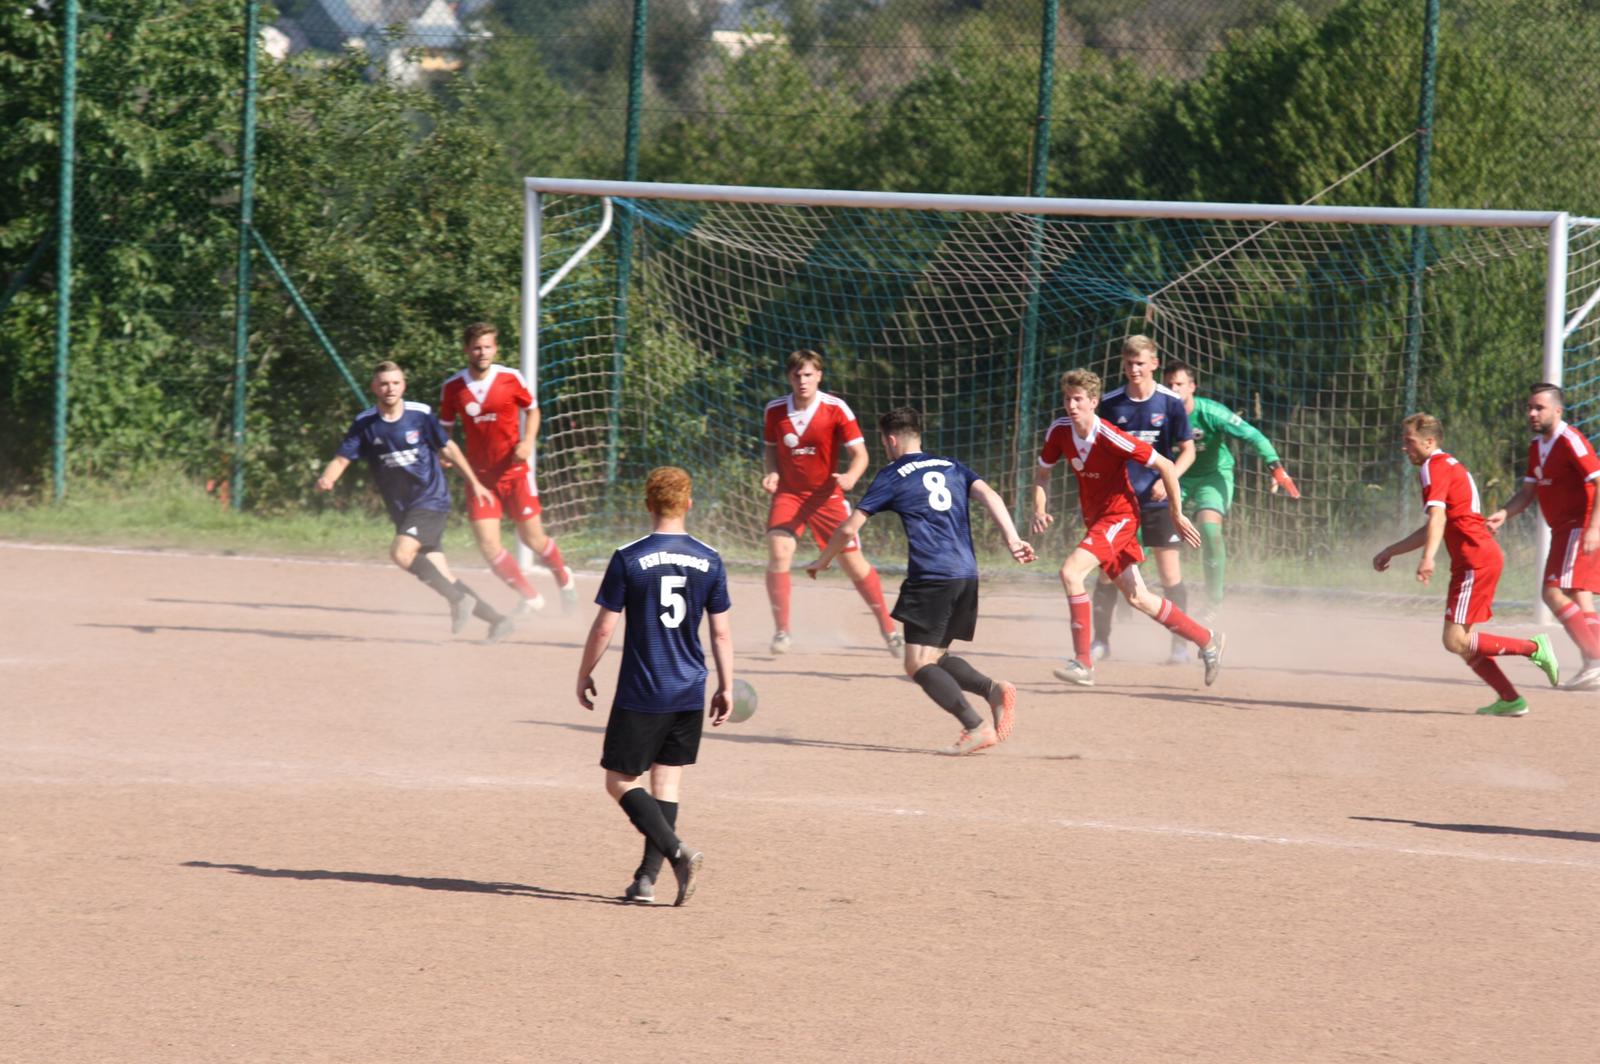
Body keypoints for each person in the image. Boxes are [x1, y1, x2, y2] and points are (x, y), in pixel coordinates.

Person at [807, 407, 1034, 756]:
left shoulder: (893, 474)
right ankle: (993, 690)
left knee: (916, 663)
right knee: (937, 654)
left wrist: (823, 559)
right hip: (966, 574)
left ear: (891, 440)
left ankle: (975, 727)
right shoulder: (950, 465)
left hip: (932, 575)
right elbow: (991, 495)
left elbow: (850, 527)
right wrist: (1013, 539)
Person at [576, 466, 732, 906]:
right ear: (689, 503)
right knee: (666, 782)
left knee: (619, 780)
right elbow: (720, 633)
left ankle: (678, 852)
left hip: (644, 690)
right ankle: (646, 880)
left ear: (647, 504)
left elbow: (605, 626)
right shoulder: (710, 558)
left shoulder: (629, 557)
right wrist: (726, 685)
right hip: (689, 688)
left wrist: (585, 670)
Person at [1032, 369, 1224, 688]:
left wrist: (1176, 513)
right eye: (1067, 399)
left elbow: (1164, 464)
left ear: (1094, 402)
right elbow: (1042, 475)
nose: (1071, 405)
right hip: (1097, 519)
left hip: (1119, 517)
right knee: (1139, 597)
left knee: (1070, 573)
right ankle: (1207, 640)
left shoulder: (1108, 434)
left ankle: (1083, 663)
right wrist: (1040, 508)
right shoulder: (1060, 431)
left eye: (1078, 399)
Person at [1373, 413, 1559, 716]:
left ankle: (1534, 649)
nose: (1404, 448)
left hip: (1475, 558)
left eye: (1409, 442)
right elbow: (1435, 524)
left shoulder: (1432, 467)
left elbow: (1437, 518)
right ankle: (1511, 699)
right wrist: (1391, 551)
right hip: (1478, 557)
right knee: (1463, 641)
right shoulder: (1447, 465)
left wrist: (1428, 558)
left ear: (1429, 442)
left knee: (1454, 639)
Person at [316, 361, 514, 642]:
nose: (389, 388)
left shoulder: (420, 415)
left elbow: (450, 449)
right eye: (383, 383)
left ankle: (458, 602)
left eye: (395, 383)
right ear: (374, 387)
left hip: (430, 499)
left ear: (403, 385)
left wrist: (475, 483)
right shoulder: (365, 423)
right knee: (445, 578)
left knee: (400, 553)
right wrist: (328, 478)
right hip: (403, 509)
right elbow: (341, 458)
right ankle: (498, 620)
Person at [762, 349, 901, 656]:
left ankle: (889, 630)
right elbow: (771, 450)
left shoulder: (835, 408)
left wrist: (851, 477)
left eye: (809, 374)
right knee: (778, 549)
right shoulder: (774, 411)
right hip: (789, 494)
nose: (802, 381)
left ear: (819, 376)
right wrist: (771, 473)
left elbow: (861, 455)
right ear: (789, 377)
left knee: (853, 565)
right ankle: (782, 631)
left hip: (827, 497)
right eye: (797, 375)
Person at [438, 322, 577, 615]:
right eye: (476, 347)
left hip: (514, 474)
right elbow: (445, 431)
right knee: (489, 546)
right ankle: (531, 598)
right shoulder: (453, 388)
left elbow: (533, 410)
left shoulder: (511, 378)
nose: (482, 352)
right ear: (466, 350)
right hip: (479, 480)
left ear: (495, 348)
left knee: (533, 540)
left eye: (487, 346)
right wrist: (443, 453)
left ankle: (564, 578)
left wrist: (527, 441)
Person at [1162, 361, 1300, 615]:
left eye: (1179, 384)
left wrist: (1276, 468)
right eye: (1168, 384)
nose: (1173, 389)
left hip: (1213, 476)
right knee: (1142, 531)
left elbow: (1253, 435)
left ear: (1192, 387)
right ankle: (1126, 592)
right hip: (1175, 476)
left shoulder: (1211, 412)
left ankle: (1213, 604)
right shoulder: (1157, 414)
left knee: (1209, 529)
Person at [1486, 383, 1600, 690]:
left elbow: (1599, 480)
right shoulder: (1537, 447)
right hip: (1566, 529)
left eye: (1540, 407)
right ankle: (1594, 664)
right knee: (1580, 597)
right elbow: (1527, 493)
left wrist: (1594, 528)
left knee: (1551, 593)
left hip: (1580, 526)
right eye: (1529, 407)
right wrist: (1504, 514)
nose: (1532, 413)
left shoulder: (1570, 440)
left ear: (1558, 410)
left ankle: (1595, 659)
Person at [1091, 335, 1196, 663]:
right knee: (1107, 572)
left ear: (1154, 364)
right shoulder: (1110, 404)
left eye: (1140, 363)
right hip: (1119, 503)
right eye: (1128, 363)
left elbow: (1187, 450)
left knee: (1169, 575)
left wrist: (1169, 480)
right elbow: (1099, 451)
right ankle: (1101, 643)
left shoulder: (1169, 402)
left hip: (1158, 501)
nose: (1134, 369)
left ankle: (1179, 645)